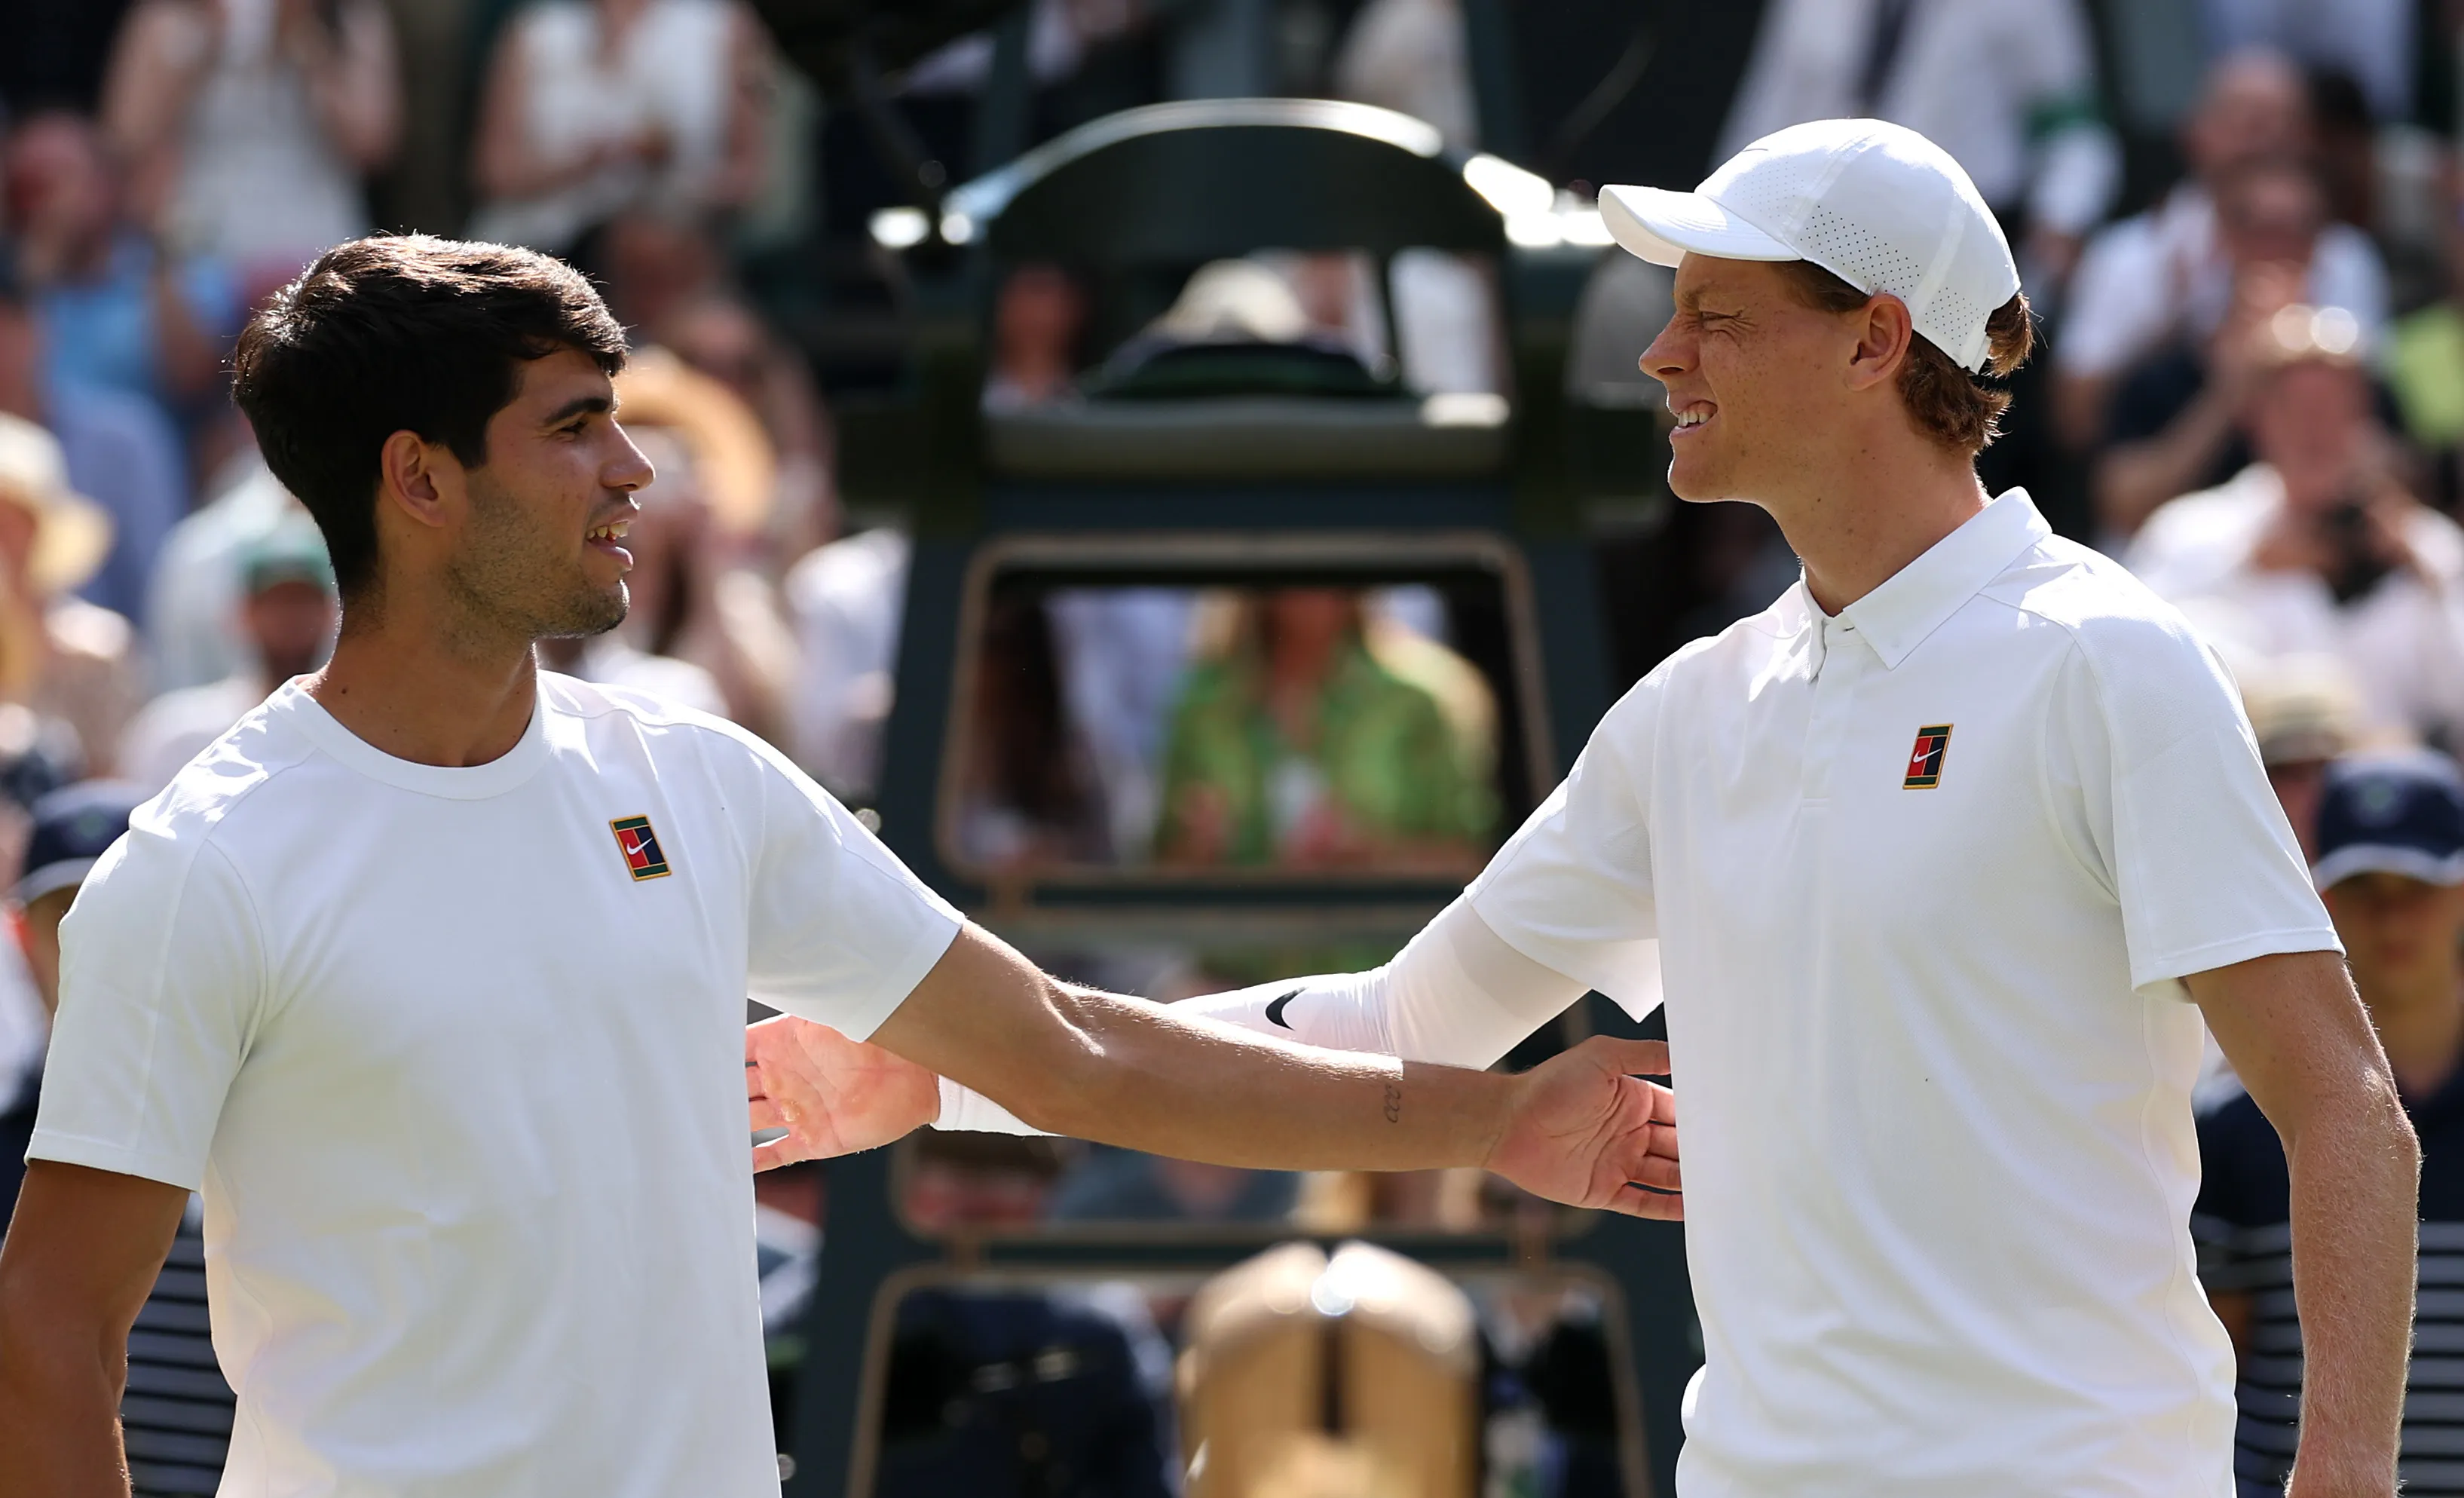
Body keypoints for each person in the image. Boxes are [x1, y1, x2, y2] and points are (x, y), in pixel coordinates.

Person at [788, 119, 2420, 1494]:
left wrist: (2338, 1481)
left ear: (1871, 341)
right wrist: (957, 1075)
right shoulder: (1691, 711)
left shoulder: (2106, 661)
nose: (1658, 352)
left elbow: (2342, 1109)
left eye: (1714, 314)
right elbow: (1383, 1029)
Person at [0, 234, 1677, 1498]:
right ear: (418, 480)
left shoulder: (700, 782)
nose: (635, 467)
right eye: (574, 427)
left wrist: (1488, 1122)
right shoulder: (204, 867)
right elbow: (51, 1334)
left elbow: (1070, 1049)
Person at [2197, 751, 2464, 1496]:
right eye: (2362, 889)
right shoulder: (2231, 1126)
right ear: (2319, 898)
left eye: (2417, 887)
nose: (2391, 917)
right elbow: (2213, 1359)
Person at [0, 780, 235, 1497]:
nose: (90, 947)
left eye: (112, 914)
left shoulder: (257, 1129)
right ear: (24, 937)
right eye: (66, 915)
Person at [2125, 305, 2464, 749]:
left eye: (2333, 407)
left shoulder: (2427, 545)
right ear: (2257, 418)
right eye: (2295, 407)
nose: (2314, 430)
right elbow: (2138, 665)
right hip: (2249, 776)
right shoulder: (2190, 532)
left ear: (2363, 417)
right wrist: (2248, 565)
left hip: (2390, 782)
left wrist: (2425, 582)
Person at [2055, 49, 2388, 452]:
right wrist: (2187, 340)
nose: (2266, 142)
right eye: (2246, 123)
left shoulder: (2349, 257)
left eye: (2285, 123)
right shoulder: (2127, 257)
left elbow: (2378, 416)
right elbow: (2076, 421)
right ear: (2195, 134)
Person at [1716, 0, 2117, 287]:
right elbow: (1768, 108)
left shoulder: (2030, 7)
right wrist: (1725, 216)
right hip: (1821, 232)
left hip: (1956, 245)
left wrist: (2063, 218)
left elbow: (2071, 128)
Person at [1153, 588, 1492, 872]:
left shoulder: (1419, 701)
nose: (1313, 594)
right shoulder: (1203, 704)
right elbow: (1159, 869)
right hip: (1239, 932)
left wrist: (1374, 856)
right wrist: (1197, 848)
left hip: (1383, 932)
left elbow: (1475, 865)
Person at [101, 0, 400, 289]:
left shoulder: (349, 16)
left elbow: (371, 145)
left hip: (319, 240)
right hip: (204, 249)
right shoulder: (166, 18)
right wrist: (204, 46)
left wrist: (307, 46)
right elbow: (125, 144)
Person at [467, 0, 770, 256]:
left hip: (674, 256)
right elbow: (495, 173)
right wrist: (585, 163)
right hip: (539, 248)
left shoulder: (724, 27)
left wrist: (678, 191)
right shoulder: (535, 30)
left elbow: (747, 177)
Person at [117, 518, 337, 792]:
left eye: (304, 602)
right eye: (275, 603)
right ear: (244, 614)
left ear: (331, 614)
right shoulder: (178, 736)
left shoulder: (360, 737)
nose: (290, 618)